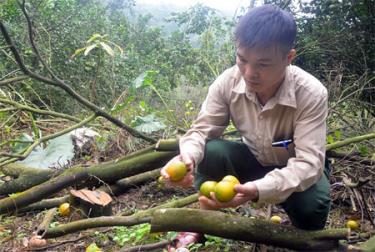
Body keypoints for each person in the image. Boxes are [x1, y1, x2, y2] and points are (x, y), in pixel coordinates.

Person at [161, 4, 331, 251]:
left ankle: (299, 236)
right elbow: (201, 130)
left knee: (311, 206)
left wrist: (257, 189)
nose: (249, 73)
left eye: (263, 64)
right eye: (242, 59)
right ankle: (203, 221)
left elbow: (308, 164)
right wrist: (187, 156)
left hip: (297, 166)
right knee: (211, 151)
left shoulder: (310, 93)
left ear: (288, 58)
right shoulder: (227, 82)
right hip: (254, 158)